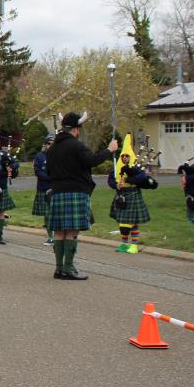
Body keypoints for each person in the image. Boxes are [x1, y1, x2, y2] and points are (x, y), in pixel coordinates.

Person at [46, 111, 118, 280]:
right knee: (72, 231)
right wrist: (109, 149)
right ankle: (68, 269)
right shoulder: (76, 145)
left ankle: (59, 269)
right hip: (76, 192)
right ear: (76, 129)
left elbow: (49, 171)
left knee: (59, 232)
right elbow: (92, 160)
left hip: (57, 192)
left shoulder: (52, 148)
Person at [107, 136, 153, 254]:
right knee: (122, 223)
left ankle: (134, 245)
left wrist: (128, 180)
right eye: (123, 156)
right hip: (121, 196)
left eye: (127, 156)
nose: (124, 158)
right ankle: (124, 244)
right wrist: (116, 185)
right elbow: (110, 180)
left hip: (133, 195)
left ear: (131, 157)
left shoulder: (136, 167)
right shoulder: (116, 167)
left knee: (133, 223)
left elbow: (142, 177)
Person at [33, 134, 55, 246]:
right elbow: (37, 172)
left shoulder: (60, 155)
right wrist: (51, 178)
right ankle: (51, 237)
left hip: (57, 189)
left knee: (57, 214)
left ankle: (58, 237)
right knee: (47, 214)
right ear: (45, 144)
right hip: (43, 188)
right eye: (49, 143)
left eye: (53, 143)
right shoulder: (39, 156)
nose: (51, 145)